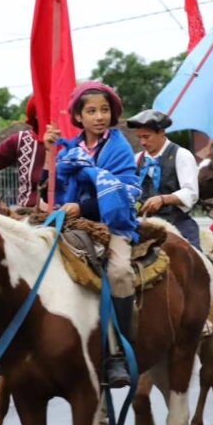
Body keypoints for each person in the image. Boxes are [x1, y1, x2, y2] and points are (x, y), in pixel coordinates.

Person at [48, 81, 141, 389]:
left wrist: (82, 206)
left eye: (104, 110)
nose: (99, 116)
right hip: (69, 223)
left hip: (112, 223)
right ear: (78, 116)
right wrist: (48, 155)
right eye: (91, 111)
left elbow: (126, 191)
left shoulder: (120, 148)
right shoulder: (68, 151)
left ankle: (119, 352)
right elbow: (52, 190)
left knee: (119, 272)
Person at [127, 109, 201, 250]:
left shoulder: (182, 155)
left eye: (146, 137)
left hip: (177, 222)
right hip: (144, 223)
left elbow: (191, 193)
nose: (142, 142)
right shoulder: (136, 159)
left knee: (196, 257)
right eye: (140, 137)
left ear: (161, 132)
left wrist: (163, 199)